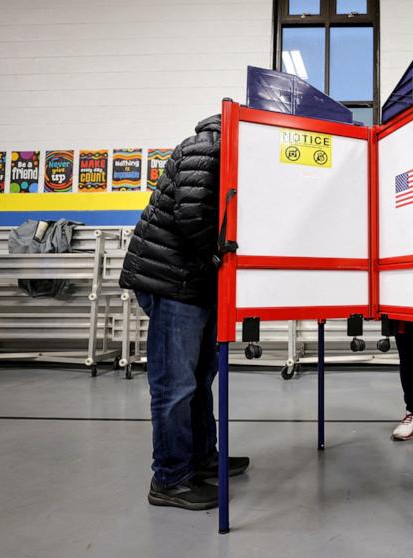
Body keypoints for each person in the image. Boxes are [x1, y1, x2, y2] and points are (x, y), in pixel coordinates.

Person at [120, 115, 250, 511]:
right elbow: (193, 216)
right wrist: (219, 258)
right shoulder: (207, 147)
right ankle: (170, 478)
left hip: (194, 279)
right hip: (171, 279)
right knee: (174, 385)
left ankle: (201, 458)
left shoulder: (227, 150)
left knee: (198, 378)